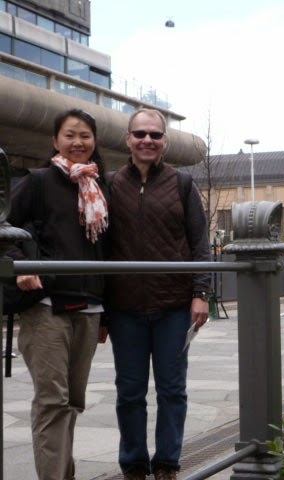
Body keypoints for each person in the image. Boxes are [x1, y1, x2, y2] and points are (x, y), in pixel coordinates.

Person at [106, 108, 211, 480]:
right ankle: (134, 464)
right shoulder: (110, 183)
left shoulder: (182, 184)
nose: (147, 140)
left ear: (165, 141)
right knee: (129, 392)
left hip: (173, 307)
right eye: (140, 134)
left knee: (172, 390)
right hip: (124, 309)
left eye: (155, 134)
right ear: (128, 139)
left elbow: (200, 243)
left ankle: (167, 463)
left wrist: (201, 292)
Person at [7, 109, 109, 480]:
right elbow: (4, 230)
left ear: (94, 141)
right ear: (55, 141)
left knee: (73, 403)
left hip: (89, 308)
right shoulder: (37, 182)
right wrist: (22, 266)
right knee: (52, 402)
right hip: (47, 308)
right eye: (69, 135)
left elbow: (104, 253)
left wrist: (106, 313)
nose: (77, 142)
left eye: (85, 135)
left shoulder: (99, 186)